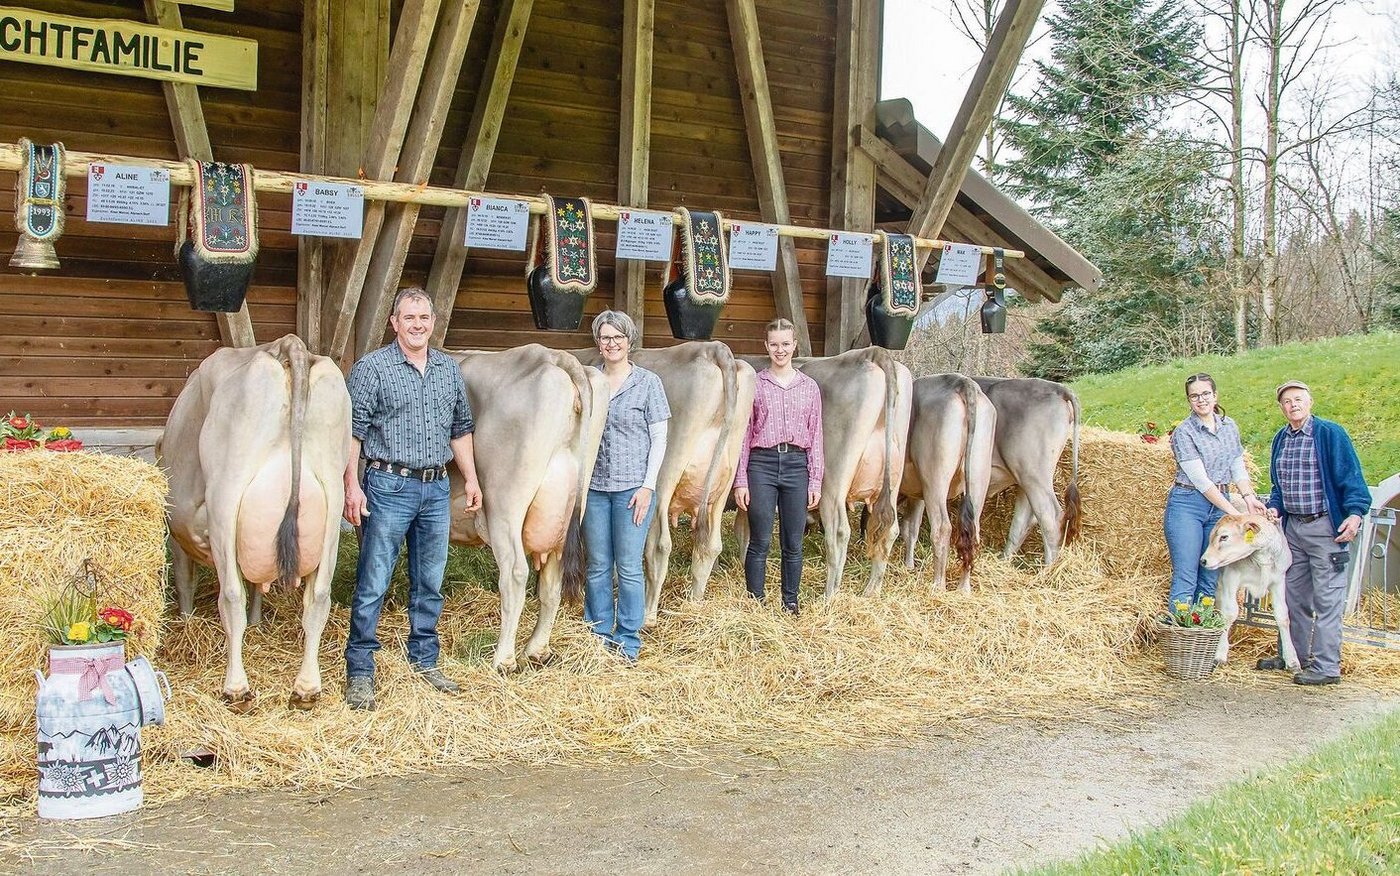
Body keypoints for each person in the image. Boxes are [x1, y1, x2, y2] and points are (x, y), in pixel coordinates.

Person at [342, 287, 482, 710]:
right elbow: (352, 434)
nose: (417, 325)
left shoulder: (447, 369)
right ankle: (360, 671)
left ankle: (424, 660)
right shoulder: (372, 368)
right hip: (388, 485)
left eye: (423, 318)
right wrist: (351, 485)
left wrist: (471, 479)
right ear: (394, 323)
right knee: (373, 581)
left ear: (433, 322)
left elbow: (460, 429)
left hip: (436, 488)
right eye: (409, 317)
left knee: (430, 582)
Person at [1261, 380, 1371, 686]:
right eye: (1287, 401)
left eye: (1298, 399)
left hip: (1325, 527)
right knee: (1293, 595)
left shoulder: (1329, 434)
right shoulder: (1281, 439)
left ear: (1310, 402)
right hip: (1293, 529)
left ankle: (1326, 666)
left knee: (1327, 598)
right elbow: (1278, 486)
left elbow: (1352, 478)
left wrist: (1355, 514)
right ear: (1281, 408)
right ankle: (1294, 656)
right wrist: (1275, 507)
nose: (1293, 405)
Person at [584, 310, 670, 663]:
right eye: (605, 337)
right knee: (598, 564)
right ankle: (598, 632)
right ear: (598, 342)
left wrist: (648, 487)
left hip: (633, 490)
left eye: (618, 337)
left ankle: (628, 638)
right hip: (594, 488)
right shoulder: (590, 380)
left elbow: (660, 438)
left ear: (629, 341)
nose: (612, 343)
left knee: (630, 566)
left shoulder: (648, 383)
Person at [734, 318, 824, 615]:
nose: (780, 350)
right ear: (766, 346)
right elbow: (744, 433)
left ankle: (790, 601)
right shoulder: (756, 384)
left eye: (785, 344)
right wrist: (741, 480)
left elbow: (816, 435)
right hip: (761, 464)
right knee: (760, 538)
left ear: (794, 345)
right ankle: (756, 602)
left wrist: (815, 480)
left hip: (797, 465)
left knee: (793, 541)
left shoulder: (809, 387)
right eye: (774, 344)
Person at [1164, 373, 1267, 613]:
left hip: (1220, 503)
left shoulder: (1229, 426)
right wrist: (1234, 514)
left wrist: (1249, 498)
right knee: (1187, 574)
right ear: (1189, 400)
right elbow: (1201, 481)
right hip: (1188, 503)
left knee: (1210, 573)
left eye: (1205, 394)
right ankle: (1182, 631)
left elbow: (1237, 466)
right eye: (1194, 396)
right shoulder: (1184, 432)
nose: (1201, 400)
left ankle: (1204, 631)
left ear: (1215, 396)